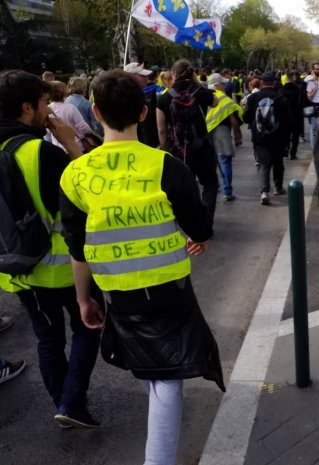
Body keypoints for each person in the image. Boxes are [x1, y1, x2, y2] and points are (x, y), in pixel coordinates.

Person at [59, 69, 225, 465]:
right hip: (170, 290)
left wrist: (84, 299)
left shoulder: (75, 174)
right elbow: (201, 226)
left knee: (154, 373)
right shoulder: (166, 166)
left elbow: (78, 250)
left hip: (118, 295)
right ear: (145, 112)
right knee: (166, 376)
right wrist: (195, 238)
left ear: (95, 113)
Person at [0, 70, 102, 428]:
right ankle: (71, 402)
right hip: (63, 268)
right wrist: (72, 145)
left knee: (48, 338)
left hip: (18, 270)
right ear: (27, 107)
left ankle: (64, 403)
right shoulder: (40, 152)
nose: (49, 110)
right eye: (44, 103)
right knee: (89, 326)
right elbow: (87, 194)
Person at [156, 59, 220, 223]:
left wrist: (165, 148)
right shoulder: (199, 92)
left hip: (179, 150)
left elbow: (161, 129)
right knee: (210, 183)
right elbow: (216, 102)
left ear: (173, 74)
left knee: (184, 186)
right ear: (192, 73)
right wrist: (196, 83)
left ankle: (189, 222)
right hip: (202, 146)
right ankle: (206, 219)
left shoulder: (164, 99)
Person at [243, 71, 292, 205]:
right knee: (278, 163)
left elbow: (246, 118)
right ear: (274, 82)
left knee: (264, 164)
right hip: (278, 137)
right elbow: (287, 120)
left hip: (259, 138)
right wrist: (288, 139)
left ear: (261, 82)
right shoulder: (280, 98)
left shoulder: (253, 98)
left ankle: (264, 192)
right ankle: (278, 187)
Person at [206, 73, 243, 201]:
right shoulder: (224, 99)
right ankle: (227, 191)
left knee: (210, 162)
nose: (224, 85)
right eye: (222, 83)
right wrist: (238, 134)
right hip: (221, 132)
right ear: (216, 85)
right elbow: (233, 120)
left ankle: (212, 186)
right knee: (224, 160)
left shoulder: (202, 96)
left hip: (205, 133)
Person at [47, 80, 94, 153]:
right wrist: (91, 133)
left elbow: (48, 131)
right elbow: (83, 126)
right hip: (76, 145)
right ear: (64, 92)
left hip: (58, 147)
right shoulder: (70, 108)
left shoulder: (48, 108)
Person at [124, 62, 159, 148]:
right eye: (142, 76)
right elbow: (147, 131)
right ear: (133, 77)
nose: (146, 78)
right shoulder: (138, 100)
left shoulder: (122, 97)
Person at [279, 70, 303, 159]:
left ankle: (286, 149)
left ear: (286, 77)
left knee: (286, 134)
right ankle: (293, 153)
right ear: (293, 77)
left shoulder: (282, 90)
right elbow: (300, 103)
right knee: (295, 136)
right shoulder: (298, 89)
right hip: (296, 114)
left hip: (285, 116)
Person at [304, 62, 319, 150]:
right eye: (316, 69)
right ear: (313, 70)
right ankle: (314, 149)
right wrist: (315, 88)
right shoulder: (310, 82)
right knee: (313, 128)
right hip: (313, 106)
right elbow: (309, 97)